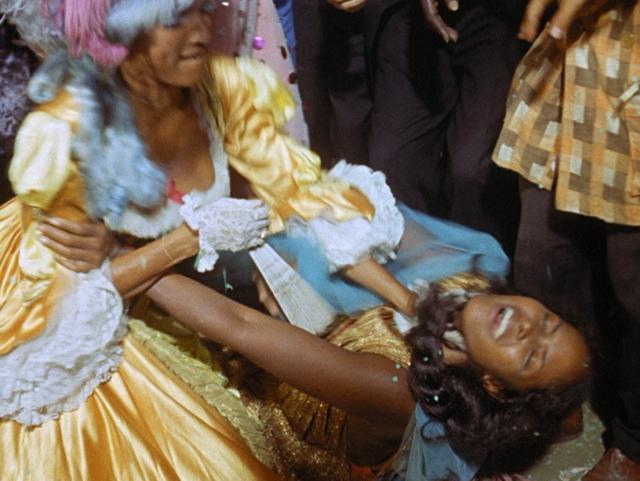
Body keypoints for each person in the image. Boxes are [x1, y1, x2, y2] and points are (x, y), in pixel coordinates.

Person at [142, 262, 592, 481]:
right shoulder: (474, 284)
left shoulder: (400, 392)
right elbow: (571, 422)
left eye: (531, 358)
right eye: (548, 322)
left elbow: (240, 326)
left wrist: (132, 264)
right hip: (279, 345)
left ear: (492, 383)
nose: (527, 329)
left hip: (244, 409)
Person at [492, 0, 640, 479]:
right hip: (569, 73)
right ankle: (562, 399)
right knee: (543, 259)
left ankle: (633, 445)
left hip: (631, 69)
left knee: (634, 285)